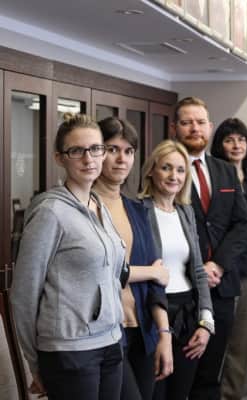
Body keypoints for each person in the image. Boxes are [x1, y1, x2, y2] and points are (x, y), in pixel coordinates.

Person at [11, 114, 125, 399]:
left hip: (110, 341)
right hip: (69, 350)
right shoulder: (50, 212)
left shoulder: (99, 205)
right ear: (60, 158)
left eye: (95, 148)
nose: (88, 159)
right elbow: (23, 293)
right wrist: (33, 362)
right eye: (77, 150)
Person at [170, 97, 247, 400]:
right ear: (175, 128)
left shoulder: (225, 171)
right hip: (181, 289)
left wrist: (217, 264)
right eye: (187, 122)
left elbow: (243, 223)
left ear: (210, 126)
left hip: (220, 286)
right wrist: (198, 270)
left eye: (200, 122)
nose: (195, 128)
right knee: (179, 375)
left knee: (211, 374)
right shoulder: (167, 170)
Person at [93, 117, 173, 400]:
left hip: (142, 329)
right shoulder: (85, 207)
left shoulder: (137, 209)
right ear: (96, 152)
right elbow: (99, 271)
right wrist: (150, 272)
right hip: (105, 332)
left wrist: (164, 333)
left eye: (128, 151)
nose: (122, 159)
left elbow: (158, 279)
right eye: (112, 149)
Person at [139, 140, 213, 400]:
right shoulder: (138, 210)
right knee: (155, 392)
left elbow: (198, 270)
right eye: (166, 168)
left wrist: (206, 323)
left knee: (180, 393)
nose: (174, 176)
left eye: (180, 170)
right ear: (151, 170)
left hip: (188, 313)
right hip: (153, 312)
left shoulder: (186, 211)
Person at [209, 117, 247, 400]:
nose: (236, 145)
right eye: (229, 140)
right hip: (219, 268)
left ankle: (234, 395)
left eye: (241, 139)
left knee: (244, 341)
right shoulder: (212, 179)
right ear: (219, 145)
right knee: (217, 337)